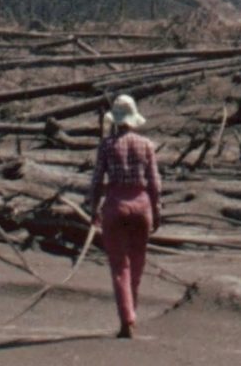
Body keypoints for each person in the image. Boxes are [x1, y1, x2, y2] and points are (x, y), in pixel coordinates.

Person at [87, 94, 162, 339]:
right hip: (141, 206)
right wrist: (157, 210)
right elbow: (154, 183)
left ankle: (127, 319)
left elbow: (98, 180)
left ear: (116, 120)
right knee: (137, 263)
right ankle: (133, 313)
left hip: (115, 205)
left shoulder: (107, 145)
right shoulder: (147, 144)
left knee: (120, 267)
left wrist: (93, 208)